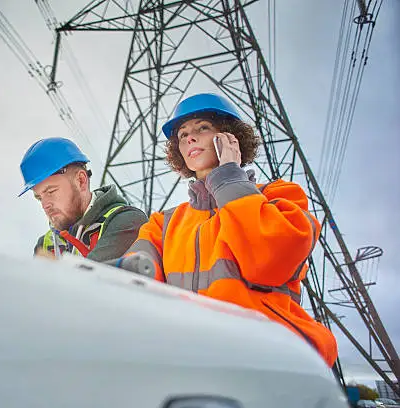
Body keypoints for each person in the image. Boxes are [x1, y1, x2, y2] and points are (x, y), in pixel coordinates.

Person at [118, 93, 338, 367]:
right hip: (191, 361)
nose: (189, 138)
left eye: (202, 128)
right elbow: (130, 278)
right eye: (182, 134)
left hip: (268, 359)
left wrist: (228, 175)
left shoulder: (279, 197)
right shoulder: (162, 224)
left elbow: (268, 262)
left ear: (231, 138)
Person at [18, 137, 149, 262]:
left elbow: (92, 283)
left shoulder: (126, 221)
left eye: (51, 191)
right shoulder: (45, 244)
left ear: (81, 181)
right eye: (39, 198)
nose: (45, 205)